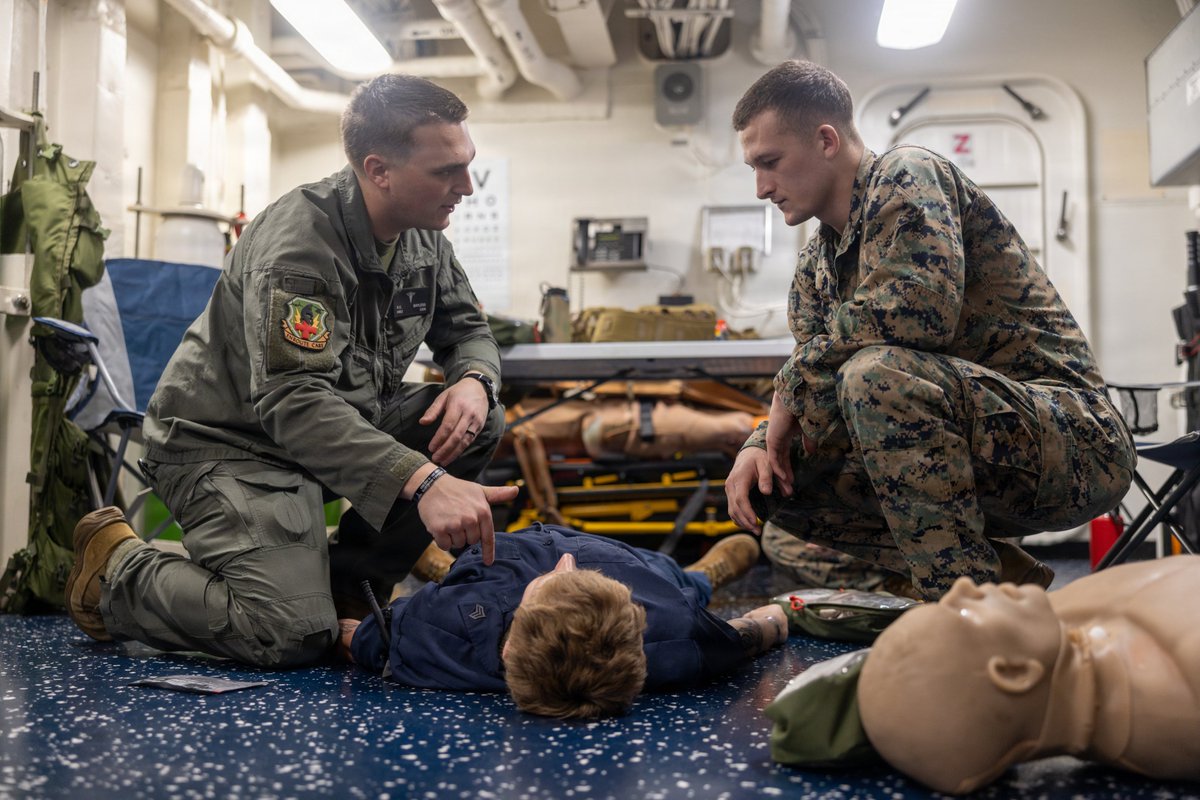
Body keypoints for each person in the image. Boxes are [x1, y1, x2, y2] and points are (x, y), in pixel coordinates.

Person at [64, 74, 518, 667]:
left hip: (331, 430)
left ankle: (350, 586)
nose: (464, 187)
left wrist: (474, 380)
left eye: (467, 166)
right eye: (445, 173)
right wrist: (426, 481)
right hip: (229, 445)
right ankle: (117, 571)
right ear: (379, 170)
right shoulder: (300, 245)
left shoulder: (422, 237)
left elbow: (466, 331)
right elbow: (293, 402)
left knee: (475, 421)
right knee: (286, 633)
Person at [723, 60, 1134, 599]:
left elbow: (918, 311)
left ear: (825, 140)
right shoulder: (814, 269)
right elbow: (813, 389)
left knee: (876, 376)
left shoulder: (907, 173)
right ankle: (989, 577)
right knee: (773, 482)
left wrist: (787, 386)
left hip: (1076, 444)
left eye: (769, 162)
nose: (761, 188)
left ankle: (962, 612)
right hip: (978, 447)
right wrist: (758, 442)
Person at [338, 524, 786, 719]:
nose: (565, 562)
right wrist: (778, 619)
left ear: (510, 651)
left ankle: (441, 568)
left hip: (495, 564)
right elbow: (753, 631)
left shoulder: (432, 631)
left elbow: (356, 637)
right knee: (677, 579)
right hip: (627, 568)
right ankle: (705, 576)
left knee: (462, 571)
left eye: (551, 584)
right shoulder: (676, 635)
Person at [856, 556, 1200, 794]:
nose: (962, 587)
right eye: (962, 613)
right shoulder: (1182, 664)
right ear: (1015, 672)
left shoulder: (1061, 634)